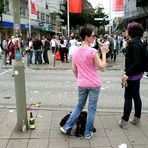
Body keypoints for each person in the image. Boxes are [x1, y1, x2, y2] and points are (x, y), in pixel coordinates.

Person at [60, 27, 108, 139]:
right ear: (86, 37)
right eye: (93, 35)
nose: (94, 37)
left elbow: (73, 69)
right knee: (92, 109)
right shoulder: (92, 51)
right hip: (94, 84)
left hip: (81, 83)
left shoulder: (75, 52)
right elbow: (102, 67)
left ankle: (66, 127)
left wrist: (80, 78)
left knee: (79, 106)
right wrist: (104, 53)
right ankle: (87, 133)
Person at [119, 22, 145, 129]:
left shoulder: (132, 44)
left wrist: (127, 74)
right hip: (138, 73)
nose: (126, 31)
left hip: (132, 75)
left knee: (128, 97)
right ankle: (136, 118)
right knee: (136, 96)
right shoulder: (140, 43)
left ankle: (124, 121)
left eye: (127, 29)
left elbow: (135, 62)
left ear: (131, 31)